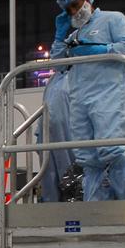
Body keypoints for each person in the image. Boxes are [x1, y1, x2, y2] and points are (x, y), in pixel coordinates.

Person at [51, 0, 125, 201]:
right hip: (80, 100)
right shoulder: (74, 35)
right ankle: (95, 209)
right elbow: (59, 65)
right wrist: (60, 37)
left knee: (112, 151)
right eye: (68, 9)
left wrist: (101, 49)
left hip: (107, 96)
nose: (74, 11)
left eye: (75, 4)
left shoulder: (113, 19)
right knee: (87, 158)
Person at [37, 68, 73, 202]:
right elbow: (47, 114)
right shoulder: (54, 80)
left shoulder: (81, 77)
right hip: (48, 140)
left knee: (72, 184)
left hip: (70, 141)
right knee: (50, 186)